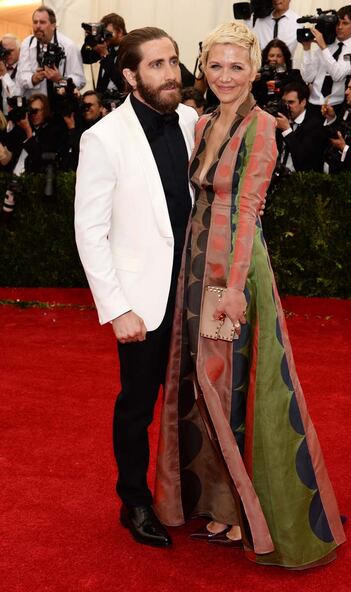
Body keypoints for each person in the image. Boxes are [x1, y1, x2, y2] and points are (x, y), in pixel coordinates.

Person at [154, 21, 346, 568]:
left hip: (230, 270)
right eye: (215, 65)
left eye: (237, 66)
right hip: (196, 263)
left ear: (255, 71)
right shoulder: (204, 122)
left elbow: (248, 209)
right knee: (199, 384)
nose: (225, 75)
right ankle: (215, 500)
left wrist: (235, 288)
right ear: (203, 69)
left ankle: (244, 509)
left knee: (230, 385)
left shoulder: (261, 126)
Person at [75, 27, 198, 549]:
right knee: (138, 405)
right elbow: (90, 230)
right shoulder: (103, 137)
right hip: (142, 303)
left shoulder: (191, 120)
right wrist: (117, 307)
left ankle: (192, 492)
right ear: (129, 75)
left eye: (173, 61)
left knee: (193, 402)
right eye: (156, 65)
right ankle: (135, 501)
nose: (171, 72)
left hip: (194, 292)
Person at [300, 5, 351, 112]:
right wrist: (306, 49)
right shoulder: (325, 47)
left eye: (345, 23)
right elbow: (307, 78)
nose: (339, 27)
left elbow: (337, 76)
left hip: (336, 106)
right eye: (338, 23)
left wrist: (323, 47)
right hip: (313, 103)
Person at [17, 5, 85, 100]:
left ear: (53, 26)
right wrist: (33, 79)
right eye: (35, 22)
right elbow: (20, 77)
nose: (38, 26)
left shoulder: (68, 46)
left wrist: (60, 80)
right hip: (36, 107)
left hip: (62, 106)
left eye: (42, 22)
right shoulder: (27, 44)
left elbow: (80, 80)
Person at [275, 81, 327, 172]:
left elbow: (303, 161)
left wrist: (287, 131)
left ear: (303, 102)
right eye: (284, 102)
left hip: (300, 179)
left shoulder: (315, 125)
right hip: (277, 174)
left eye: (291, 102)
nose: (287, 106)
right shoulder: (281, 119)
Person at [81, 13, 127, 94]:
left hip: (121, 100)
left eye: (108, 33)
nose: (105, 36)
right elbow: (86, 58)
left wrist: (105, 55)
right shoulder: (107, 45)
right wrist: (90, 40)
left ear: (120, 32)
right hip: (102, 99)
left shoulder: (131, 48)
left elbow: (122, 84)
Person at [253, 38, 303, 107]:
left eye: (279, 56)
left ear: (285, 58)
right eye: (271, 56)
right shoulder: (259, 76)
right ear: (266, 57)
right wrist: (252, 82)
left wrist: (279, 83)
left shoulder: (293, 75)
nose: (274, 59)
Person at [0, 34, 21, 114]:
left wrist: (4, 73)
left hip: (18, 119)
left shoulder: (24, 69)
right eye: (4, 51)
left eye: (11, 51)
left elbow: (16, 96)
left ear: (19, 49)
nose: (7, 54)